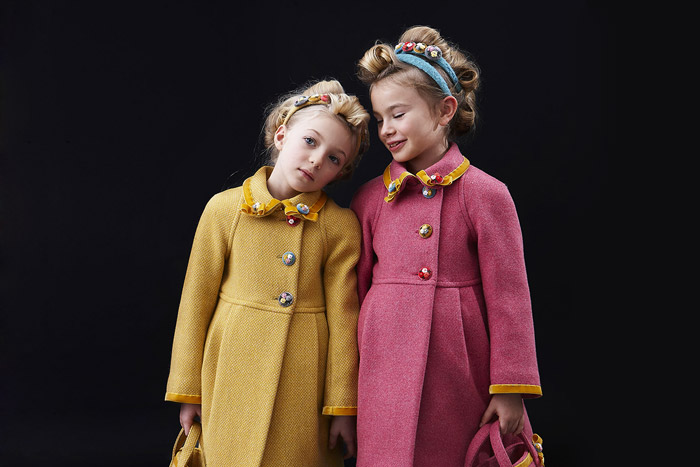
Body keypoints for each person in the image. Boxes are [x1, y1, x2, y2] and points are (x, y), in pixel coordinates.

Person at [350, 25, 542, 466]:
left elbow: (510, 298)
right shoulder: (369, 200)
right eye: (379, 119)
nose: (386, 130)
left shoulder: (486, 194)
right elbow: (351, 298)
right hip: (381, 370)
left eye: (398, 114)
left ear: (444, 110)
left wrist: (509, 389)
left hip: (459, 368)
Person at [165, 79, 370, 466]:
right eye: (310, 141)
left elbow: (345, 320)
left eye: (334, 158)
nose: (316, 160)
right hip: (229, 368)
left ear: (340, 172)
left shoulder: (339, 227)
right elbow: (195, 302)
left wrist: (342, 407)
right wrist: (188, 390)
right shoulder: (224, 210)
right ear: (281, 135)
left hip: (305, 380)